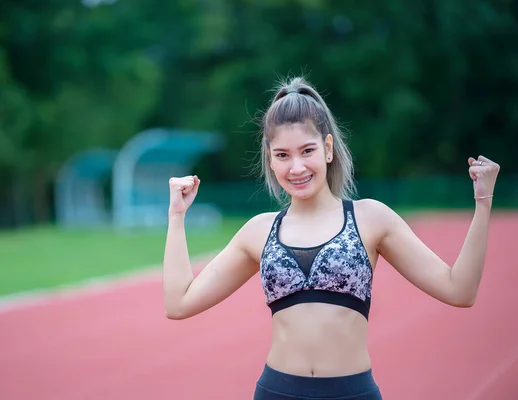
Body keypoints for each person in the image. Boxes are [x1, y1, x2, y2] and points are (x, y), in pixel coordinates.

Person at [162, 76, 500, 400]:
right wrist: (177, 216)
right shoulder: (258, 231)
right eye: (282, 155)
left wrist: (482, 203)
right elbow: (179, 303)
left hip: (351, 393)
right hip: (277, 392)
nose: (296, 167)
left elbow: (460, 290)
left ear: (327, 148)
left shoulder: (371, 218)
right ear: (270, 158)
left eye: (306, 151)